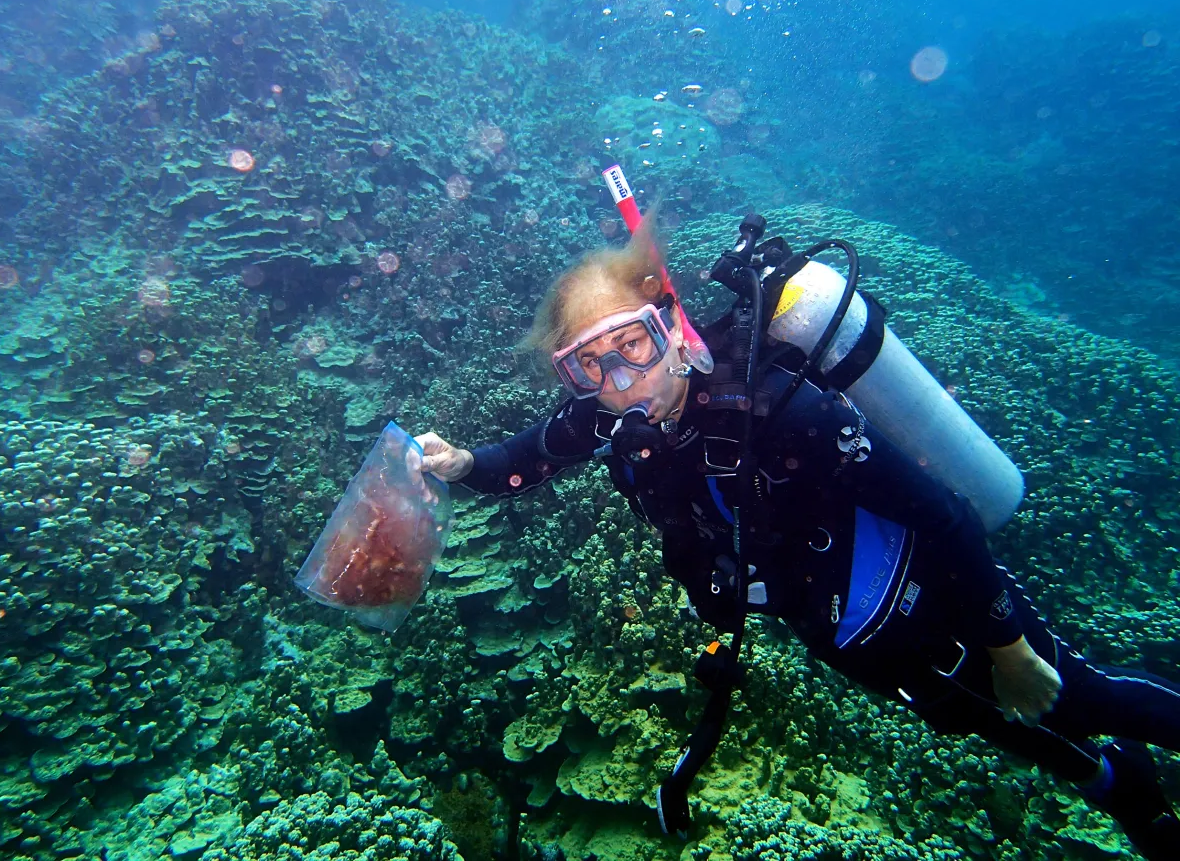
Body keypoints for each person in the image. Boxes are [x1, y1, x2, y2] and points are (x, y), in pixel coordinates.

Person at [415, 222, 1180, 859]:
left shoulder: (787, 413)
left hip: (941, 597)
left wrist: (1007, 646)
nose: (618, 380)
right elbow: (524, 462)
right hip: (847, 638)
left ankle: (1125, 751)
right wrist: (463, 464)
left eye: (633, 345)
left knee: (1086, 697)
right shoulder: (608, 419)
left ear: (673, 330)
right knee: (1007, 730)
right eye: (588, 363)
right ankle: (1135, 803)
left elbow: (942, 514)